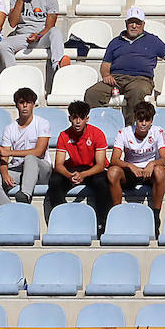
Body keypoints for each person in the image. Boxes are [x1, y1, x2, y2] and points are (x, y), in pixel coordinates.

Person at [84, 7, 165, 125]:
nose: (134, 26)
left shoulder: (152, 40)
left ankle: (130, 131)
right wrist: (106, 75)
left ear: (143, 24)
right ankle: (95, 128)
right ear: (126, 23)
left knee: (136, 92)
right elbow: (105, 65)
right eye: (131, 22)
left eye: (138, 23)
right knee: (92, 93)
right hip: (116, 79)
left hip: (140, 79)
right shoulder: (115, 42)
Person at [45, 99, 111, 235]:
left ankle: (102, 223)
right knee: (55, 181)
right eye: (75, 118)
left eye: (81, 118)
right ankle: (62, 220)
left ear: (87, 118)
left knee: (102, 182)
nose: (78, 122)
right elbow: (58, 165)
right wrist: (70, 176)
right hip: (74, 169)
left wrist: (83, 175)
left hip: (92, 169)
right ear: (70, 118)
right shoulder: (64, 135)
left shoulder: (97, 134)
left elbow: (100, 165)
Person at [107, 100, 165, 236]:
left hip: (150, 171)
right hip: (131, 171)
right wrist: (130, 166)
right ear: (135, 119)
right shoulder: (124, 132)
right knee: (112, 172)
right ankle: (117, 214)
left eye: (147, 120)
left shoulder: (158, 132)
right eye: (140, 119)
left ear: (151, 121)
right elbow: (114, 160)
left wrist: (152, 164)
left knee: (160, 171)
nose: (143, 123)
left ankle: (155, 215)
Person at [0, 0, 66, 75]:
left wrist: (37, 35)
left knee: (55, 31)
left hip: (41, 37)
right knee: (4, 45)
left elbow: (50, 27)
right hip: (22, 37)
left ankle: (58, 67)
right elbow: (12, 23)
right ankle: (13, 75)